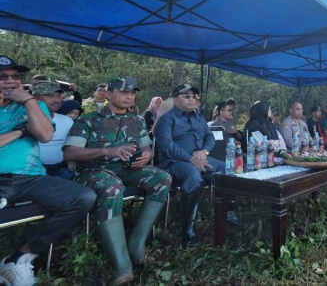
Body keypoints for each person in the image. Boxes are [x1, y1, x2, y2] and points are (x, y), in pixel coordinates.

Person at [63, 77, 171, 284]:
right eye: (123, 92)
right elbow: (69, 153)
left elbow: (146, 147)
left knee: (163, 178)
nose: (129, 96)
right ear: (109, 93)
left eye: (132, 92)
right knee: (112, 187)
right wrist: (106, 150)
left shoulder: (137, 120)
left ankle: (136, 245)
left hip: (126, 169)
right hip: (94, 171)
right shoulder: (90, 119)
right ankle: (122, 265)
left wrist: (146, 156)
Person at [0, 56, 95, 286]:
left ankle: (20, 257)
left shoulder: (33, 105)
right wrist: (22, 131)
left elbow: (44, 135)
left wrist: (29, 101)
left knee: (83, 197)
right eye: (3, 77)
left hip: (31, 177)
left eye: (16, 77)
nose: (11, 82)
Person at [155, 84, 225, 247]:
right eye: (186, 96)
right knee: (192, 174)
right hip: (174, 162)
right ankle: (188, 231)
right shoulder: (167, 119)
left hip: (200, 158)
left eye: (194, 97)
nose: (191, 99)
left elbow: (210, 137)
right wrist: (192, 159)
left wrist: (205, 152)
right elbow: (167, 146)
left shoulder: (199, 117)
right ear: (175, 100)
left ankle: (227, 213)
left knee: (224, 168)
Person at [32, 81, 75, 180]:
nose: (57, 100)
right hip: (31, 171)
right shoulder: (24, 120)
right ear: (35, 98)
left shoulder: (67, 121)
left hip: (61, 169)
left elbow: (73, 146)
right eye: (50, 96)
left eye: (59, 96)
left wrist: (71, 162)